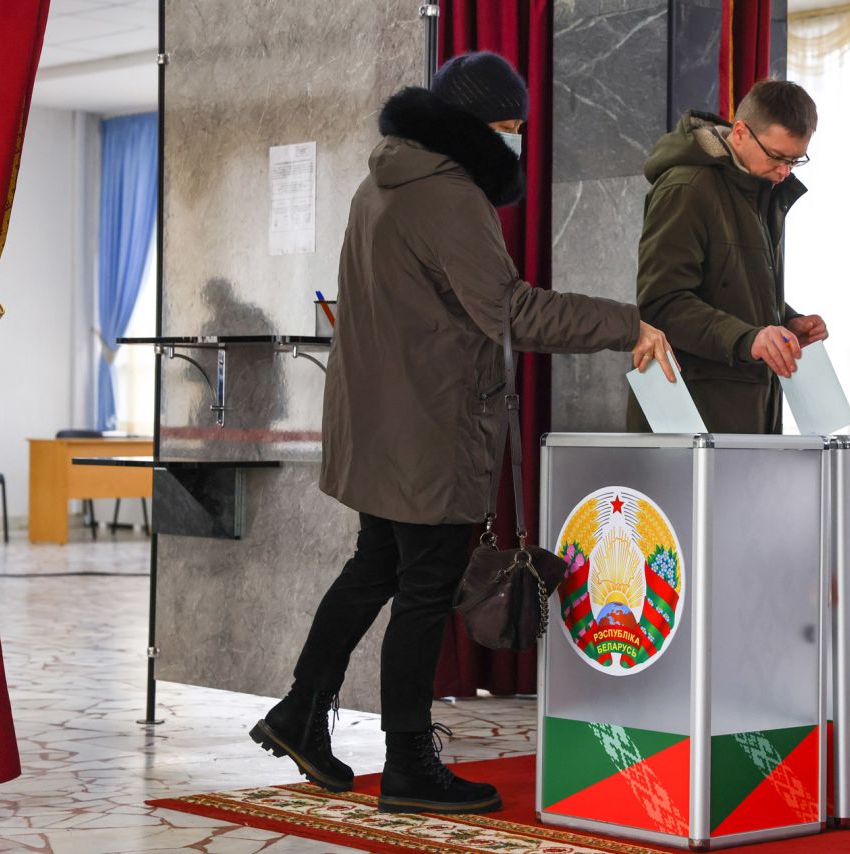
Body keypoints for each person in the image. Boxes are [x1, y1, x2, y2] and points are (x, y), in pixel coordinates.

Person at [249, 51, 674, 815]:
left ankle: (301, 713)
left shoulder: (379, 184)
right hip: (432, 431)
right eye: (510, 127)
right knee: (424, 594)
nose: (515, 141)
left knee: (373, 571)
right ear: (478, 125)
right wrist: (625, 324)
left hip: (380, 427)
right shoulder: (448, 197)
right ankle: (410, 763)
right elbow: (510, 311)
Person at [627, 80, 829, 435]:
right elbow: (661, 304)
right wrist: (748, 339)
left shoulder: (758, 188)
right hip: (691, 415)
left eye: (796, 160)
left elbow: (731, 288)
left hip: (745, 413)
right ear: (739, 133)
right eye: (778, 157)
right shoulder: (686, 188)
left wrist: (786, 321)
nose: (785, 172)